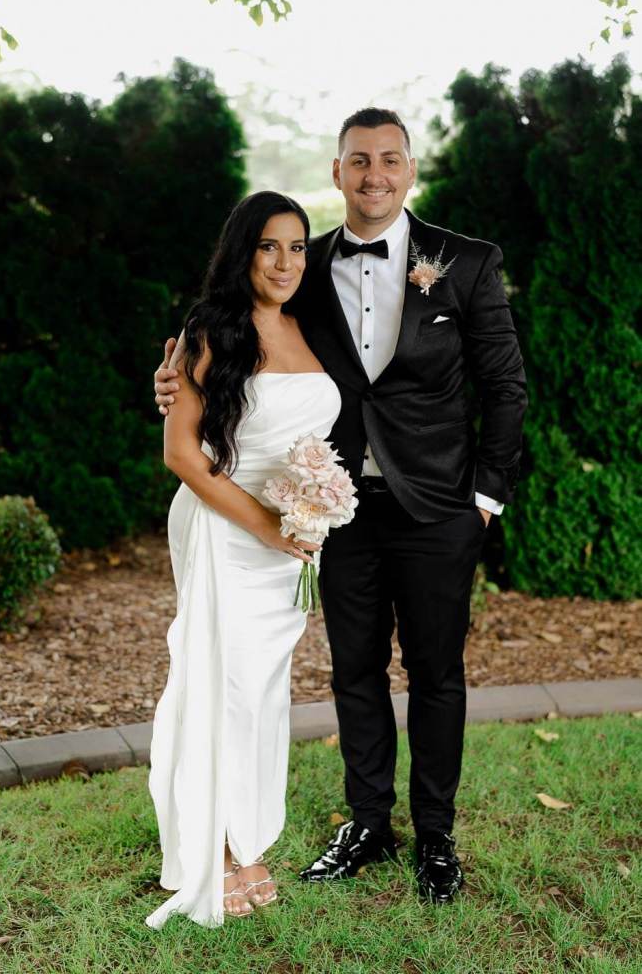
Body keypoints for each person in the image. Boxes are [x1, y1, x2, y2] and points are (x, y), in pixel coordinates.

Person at [155, 108, 528, 905]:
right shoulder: (304, 263)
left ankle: (434, 834)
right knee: (352, 671)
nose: (373, 176)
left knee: (435, 673)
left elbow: (504, 386)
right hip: (335, 512)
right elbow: (239, 355)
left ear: (409, 168)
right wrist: (171, 377)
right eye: (358, 161)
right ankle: (366, 823)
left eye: (388, 160)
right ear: (336, 172)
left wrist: (485, 498)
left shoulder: (464, 262)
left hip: (438, 509)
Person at [144, 191, 342, 929]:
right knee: (214, 683)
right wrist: (263, 521)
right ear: (242, 251)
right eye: (268, 246)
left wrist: (311, 509)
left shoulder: (310, 326)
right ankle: (212, 848)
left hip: (288, 540)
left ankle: (248, 835)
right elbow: (182, 453)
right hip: (226, 528)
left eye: (296, 247)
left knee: (261, 690)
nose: (285, 262)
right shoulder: (211, 330)